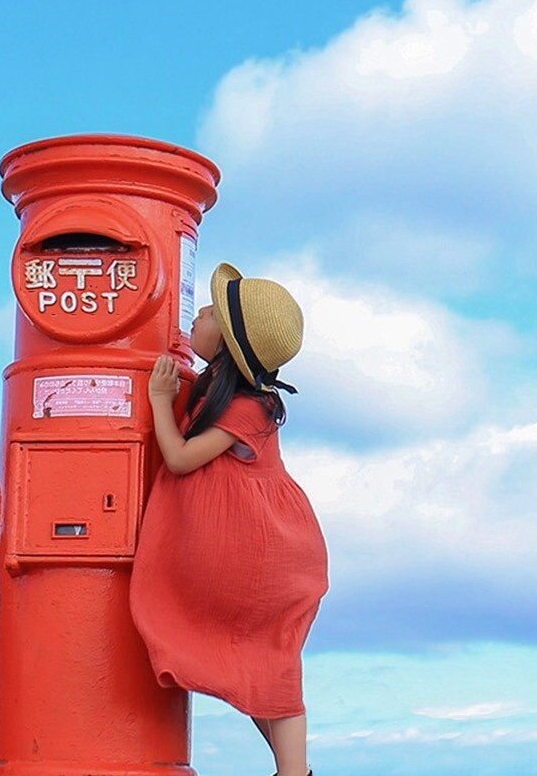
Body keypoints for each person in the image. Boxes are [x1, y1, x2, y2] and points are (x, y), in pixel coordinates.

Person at [132, 263, 329, 776]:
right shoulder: (219, 386)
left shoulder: (248, 405)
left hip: (266, 552)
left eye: (212, 311)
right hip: (253, 542)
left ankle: (295, 773)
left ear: (229, 343)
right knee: (264, 670)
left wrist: (155, 399)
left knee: (274, 667)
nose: (196, 312)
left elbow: (178, 457)